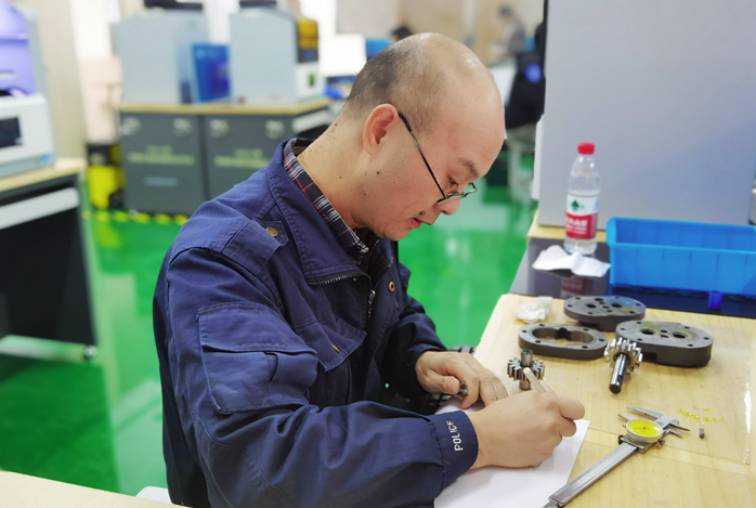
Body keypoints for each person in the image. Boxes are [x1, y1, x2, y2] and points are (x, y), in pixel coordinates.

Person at [153, 33, 585, 508]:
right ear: (381, 132)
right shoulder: (221, 262)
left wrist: (418, 357)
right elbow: (264, 469)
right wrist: (472, 439)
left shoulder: (367, 212)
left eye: (465, 188)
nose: (451, 207)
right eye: (450, 179)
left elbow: (388, 312)